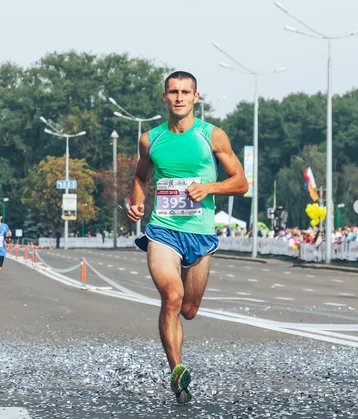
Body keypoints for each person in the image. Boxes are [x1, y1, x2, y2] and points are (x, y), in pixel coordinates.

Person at [127, 71, 248, 404]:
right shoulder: (151, 139)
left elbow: (241, 182)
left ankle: (177, 361)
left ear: (196, 97)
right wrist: (136, 201)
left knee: (190, 309)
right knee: (172, 297)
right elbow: (141, 176)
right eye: (173, 92)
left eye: (185, 92)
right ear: (164, 97)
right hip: (163, 230)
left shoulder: (213, 136)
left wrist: (209, 187)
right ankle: (177, 371)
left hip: (200, 233)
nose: (179, 97)